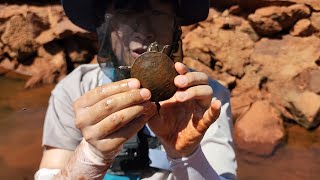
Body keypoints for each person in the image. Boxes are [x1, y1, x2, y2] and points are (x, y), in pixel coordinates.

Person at [35, 0, 237, 179]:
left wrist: (187, 154)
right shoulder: (75, 89)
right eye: (126, 12)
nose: (144, 29)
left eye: (158, 13)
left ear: (175, 25)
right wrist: (92, 155)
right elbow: (50, 172)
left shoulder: (204, 98)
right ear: (105, 25)